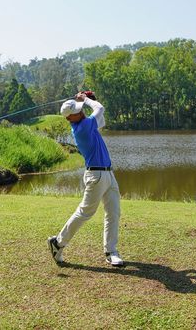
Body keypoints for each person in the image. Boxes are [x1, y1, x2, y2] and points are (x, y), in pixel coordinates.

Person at [47, 92, 124, 267]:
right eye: (77, 111)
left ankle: (111, 251)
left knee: (113, 212)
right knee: (85, 212)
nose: (81, 112)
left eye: (81, 109)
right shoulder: (82, 128)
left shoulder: (87, 124)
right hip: (96, 176)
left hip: (108, 174)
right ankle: (58, 243)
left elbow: (100, 116)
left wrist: (91, 100)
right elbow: (100, 109)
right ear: (69, 118)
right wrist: (86, 99)